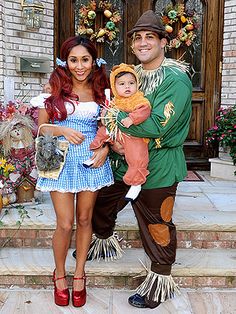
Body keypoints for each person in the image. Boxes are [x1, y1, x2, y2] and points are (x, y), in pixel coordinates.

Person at [73, 9, 192, 309]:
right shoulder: (131, 75)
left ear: (163, 42)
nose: (142, 43)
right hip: (122, 161)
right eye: (137, 37)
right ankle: (101, 245)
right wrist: (110, 137)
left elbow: (156, 125)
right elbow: (108, 107)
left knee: (157, 223)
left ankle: (159, 281)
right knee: (102, 202)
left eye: (149, 37)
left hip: (159, 166)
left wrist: (116, 120)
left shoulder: (176, 79)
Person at [33, 35, 114, 307]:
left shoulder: (103, 90)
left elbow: (111, 128)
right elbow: (41, 129)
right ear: (65, 62)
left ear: (94, 61)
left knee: (85, 218)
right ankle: (59, 274)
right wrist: (62, 129)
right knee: (65, 222)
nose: (80, 66)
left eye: (85, 60)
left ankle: (79, 275)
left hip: (91, 160)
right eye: (74, 60)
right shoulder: (53, 89)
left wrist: (106, 149)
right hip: (59, 160)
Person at [90, 63, 151, 201]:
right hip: (116, 133)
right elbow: (107, 113)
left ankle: (136, 183)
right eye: (122, 84)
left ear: (137, 84)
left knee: (136, 157)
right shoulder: (115, 101)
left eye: (131, 83)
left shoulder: (138, 99)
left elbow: (144, 110)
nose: (127, 87)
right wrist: (105, 115)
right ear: (114, 87)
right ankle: (94, 151)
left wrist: (132, 118)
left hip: (133, 136)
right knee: (102, 132)